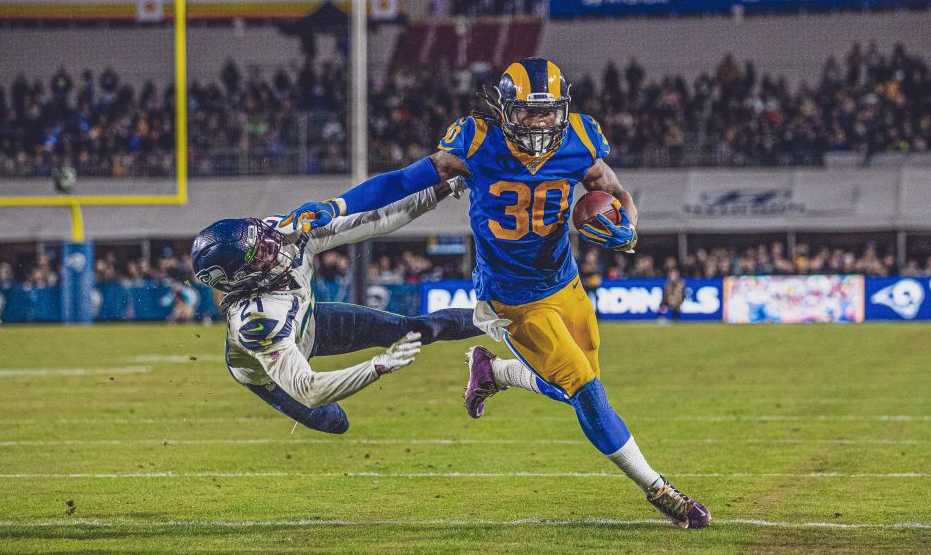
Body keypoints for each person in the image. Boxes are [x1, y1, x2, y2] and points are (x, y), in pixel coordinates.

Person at [282, 58, 710, 528]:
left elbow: (617, 192)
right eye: (531, 112)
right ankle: (659, 490)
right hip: (511, 299)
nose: (543, 123)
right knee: (587, 393)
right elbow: (402, 181)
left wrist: (628, 230)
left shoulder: (581, 139)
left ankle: (496, 372)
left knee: (572, 388)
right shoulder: (477, 141)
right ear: (506, 110)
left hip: (563, 282)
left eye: (550, 112)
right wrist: (336, 206)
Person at [192, 180, 480, 435]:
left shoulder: (282, 232)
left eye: (262, 236)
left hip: (310, 323)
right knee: (335, 422)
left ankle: (498, 315)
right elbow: (309, 389)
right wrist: (377, 366)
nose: (273, 244)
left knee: (415, 329)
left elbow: (372, 221)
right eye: (259, 254)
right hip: (270, 372)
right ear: (241, 279)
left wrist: (437, 190)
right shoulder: (257, 320)